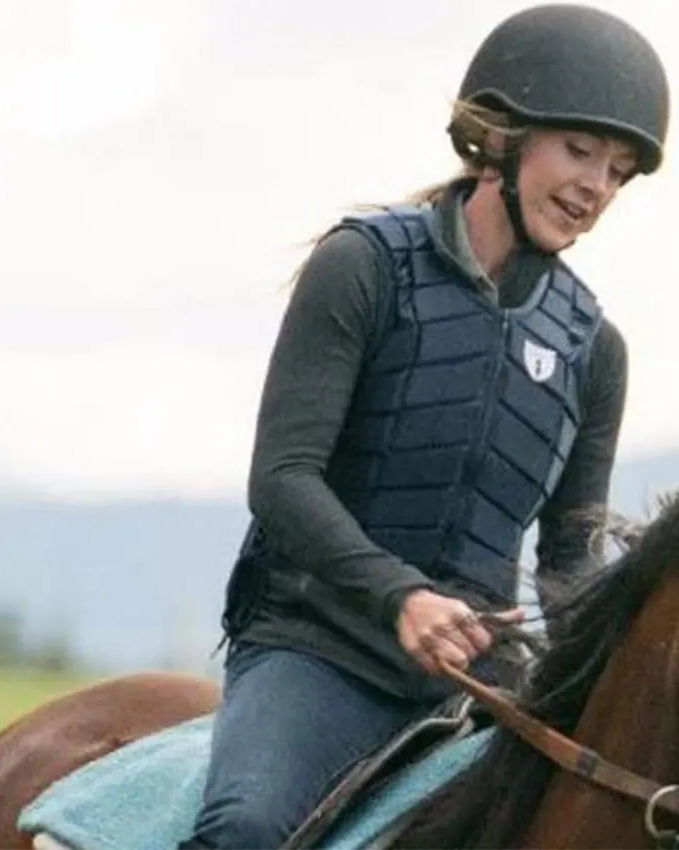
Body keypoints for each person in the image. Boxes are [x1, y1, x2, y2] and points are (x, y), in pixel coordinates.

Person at [179, 4, 670, 848]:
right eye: (579, 150)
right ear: (502, 136)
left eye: (618, 172)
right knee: (247, 830)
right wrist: (401, 597)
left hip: (479, 683)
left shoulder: (597, 351)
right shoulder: (361, 267)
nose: (596, 187)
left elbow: (567, 561)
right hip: (319, 653)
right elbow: (284, 480)